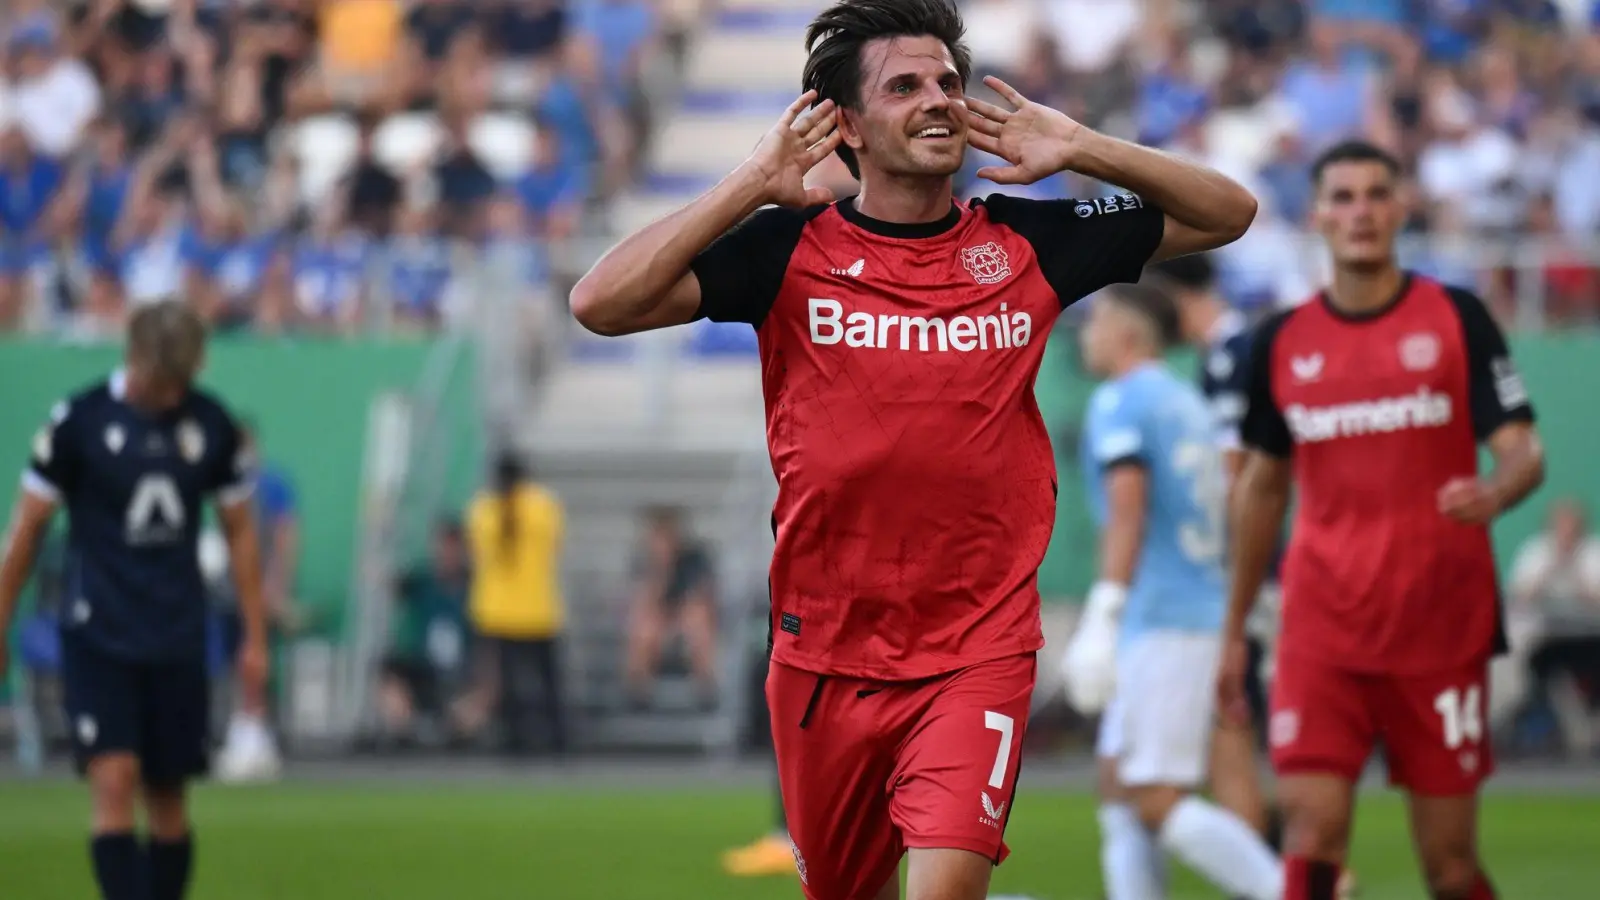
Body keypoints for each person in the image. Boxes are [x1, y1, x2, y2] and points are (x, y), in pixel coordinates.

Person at [568, 0, 1257, 893]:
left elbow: (1228, 212)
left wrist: (1082, 146)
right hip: (823, 654)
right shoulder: (787, 248)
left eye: (946, 82)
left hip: (977, 645)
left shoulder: (1027, 241)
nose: (937, 100)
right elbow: (600, 303)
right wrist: (750, 181)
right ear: (844, 125)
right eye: (904, 86)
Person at [1218, 139, 1546, 900]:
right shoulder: (1280, 341)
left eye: (1375, 195)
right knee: (1311, 834)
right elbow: (1262, 490)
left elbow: (1524, 451)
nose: (1360, 212)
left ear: (1401, 208)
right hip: (1320, 628)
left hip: (1439, 624)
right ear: (1318, 216)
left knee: (1450, 865)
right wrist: (1235, 628)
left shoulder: (1455, 317)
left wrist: (1498, 492)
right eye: (1342, 197)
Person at [0, 300, 269, 900]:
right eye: (162, 383)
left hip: (175, 631)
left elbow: (241, 531)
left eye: (183, 383)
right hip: (100, 631)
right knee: (114, 778)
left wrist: (255, 633)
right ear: (135, 358)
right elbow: (27, 531)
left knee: (169, 795)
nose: (173, 397)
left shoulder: (212, 427)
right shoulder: (80, 424)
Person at [1064, 283, 1283, 900]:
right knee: (1118, 784)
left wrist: (1105, 609)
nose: (1087, 333)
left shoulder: (1121, 402)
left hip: (1164, 618)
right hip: (1198, 606)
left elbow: (1129, 512)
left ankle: (1288, 890)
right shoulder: (1188, 401)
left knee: (1155, 796)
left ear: (1128, 334)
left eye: (1097, 320)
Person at [461, 452, 567, 757]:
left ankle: (514, 740)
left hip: (496, 610)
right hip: (538, 608)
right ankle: (557, 739)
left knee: (504, 682)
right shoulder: (543, 506)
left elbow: (476, 553)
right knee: (548, 681)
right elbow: (555, 546)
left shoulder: (483, 510)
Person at [625, 506, 719, 709]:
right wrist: (661, 569)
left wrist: (678, 619)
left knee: (697, 620)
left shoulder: (695, 558)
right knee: (642, 627)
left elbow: (701, 597)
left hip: (687, 618)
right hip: (659, 620)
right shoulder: (646, 561)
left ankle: (706, 689)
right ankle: (638, 692)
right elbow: (645, 600)